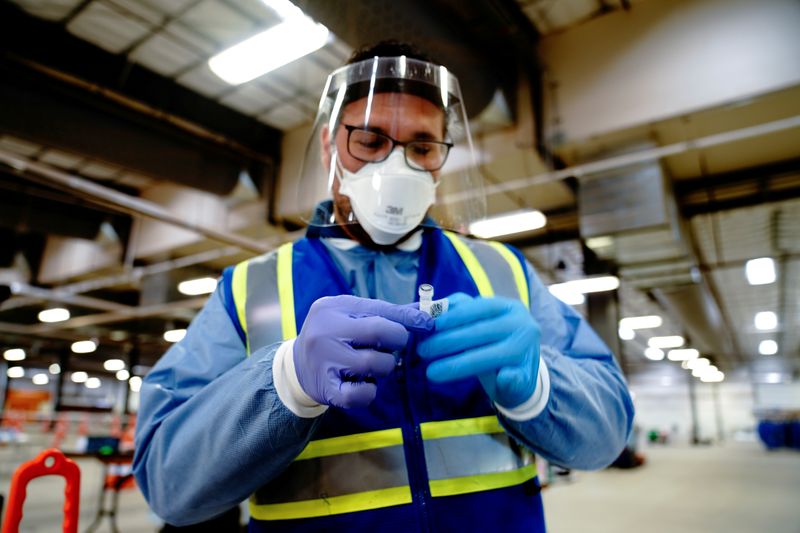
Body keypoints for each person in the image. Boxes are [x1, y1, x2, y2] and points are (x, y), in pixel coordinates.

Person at [133, 41, 634, 532]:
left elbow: (606, 437)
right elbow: (168, 487)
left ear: (443, 155)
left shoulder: (502, 272)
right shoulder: (253, 288)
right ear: (331, 145)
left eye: (421, 147)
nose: (396, 169)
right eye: (370, 142)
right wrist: (284, 381)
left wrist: (540, 386)